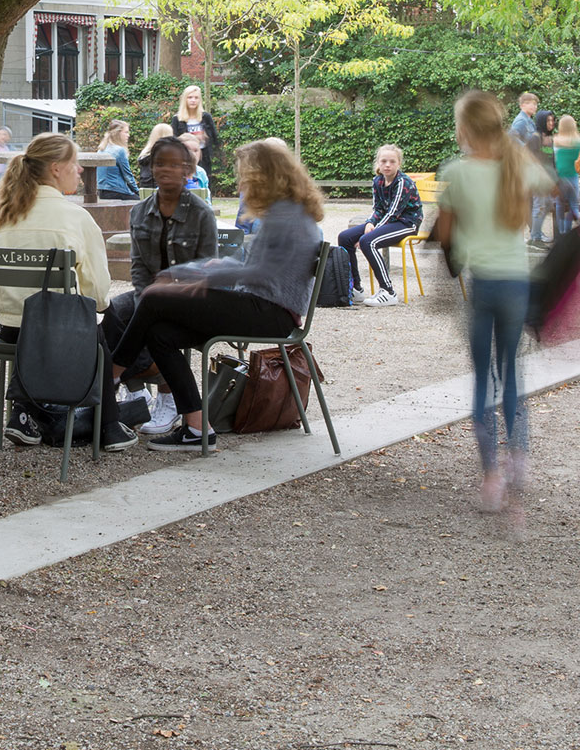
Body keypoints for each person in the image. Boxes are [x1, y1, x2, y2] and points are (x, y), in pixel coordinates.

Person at [109, 138, 323, 453]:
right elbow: (255, 268)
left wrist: (195, 275)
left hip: (268, 312)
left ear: (263, 175)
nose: (241, 181)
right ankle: (197, 427)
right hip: (265, 308)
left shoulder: (285, 216)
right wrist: (205, 271)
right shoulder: (288, 211)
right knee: (159, 333)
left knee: (155, 297)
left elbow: (256, 274)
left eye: (245, 174)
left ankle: (110, 377)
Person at [435, 92, 549, 511]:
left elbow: (445, 239)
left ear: (463, 130)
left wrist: (454, 252)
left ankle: (491, 477)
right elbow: (556, 189)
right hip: (517, 284)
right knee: (512, 376)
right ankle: (519, 459)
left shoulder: (458, 173)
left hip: (481, 285)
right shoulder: (516, 166)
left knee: (483, 380)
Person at [0, 133, 131, 451]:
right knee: (100, 334)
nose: (79, 170)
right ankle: (109, 426)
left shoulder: (3, 216)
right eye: (74, 164)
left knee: (85, 326)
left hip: (9, 330)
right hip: (57, 335)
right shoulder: (76, 218)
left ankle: (26, 413)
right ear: (55, 168)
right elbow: (98, 294)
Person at [107, 136, 218, 435]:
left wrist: (163, 294)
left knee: (155, 320)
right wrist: (146, 295)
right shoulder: (139, 212)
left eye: (173, 164)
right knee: (115, 310)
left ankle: (124, 382)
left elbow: (206, 269)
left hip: (191, 297)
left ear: (187, 170)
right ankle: (133, 389)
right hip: (151, 294)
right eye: (159, 163)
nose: (164, 170)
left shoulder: (201, 214)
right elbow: (138, 266)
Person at [336, 144, 423, 305]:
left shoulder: (403, 183)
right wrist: (370, 222)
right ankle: (356, 289)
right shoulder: (377, 181)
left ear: (399, 164)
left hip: (406, 223)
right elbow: (378, 209)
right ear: (378, 163)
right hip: (389, 221)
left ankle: (388, 291)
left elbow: (393, 212)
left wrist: (368, 233)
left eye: (392, 161)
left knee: (367, 241)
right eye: (383, 161)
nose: (387, 165)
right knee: (345, 237)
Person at [508, 92, 550, 245]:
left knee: (530, 202)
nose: (535, 106)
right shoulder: (520, 121)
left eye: (536, 104)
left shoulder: (529, 121)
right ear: (522, 105)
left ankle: (534, 234)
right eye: (531, 103)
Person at [166, 85, 222, 178]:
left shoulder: (206, 117)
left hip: (204, 158)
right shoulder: (177, 119)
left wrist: (205, 137)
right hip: (185, 159)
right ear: (185, 100)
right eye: (190, 97)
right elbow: (173, 141)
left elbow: (215, 137)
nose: (193, 100)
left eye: (196, 98)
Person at [552, 116, 580, 239]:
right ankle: (569, 230)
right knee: (573, 206)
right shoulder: (579, 142)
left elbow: (553, 159)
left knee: (559, 205)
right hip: (573, 177)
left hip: (560, 178)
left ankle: (561, 233)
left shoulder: (556, 141)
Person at [96, 120, 140, 200]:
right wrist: (138, 192)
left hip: (102, 192)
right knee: (141, 203)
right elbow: (128, 176)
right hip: (116, 191)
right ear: (118, 133)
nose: (128, 135)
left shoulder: (101, 149)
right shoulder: (119, 150)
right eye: (126, 132)